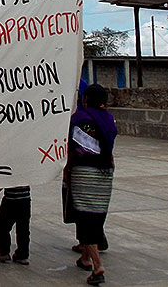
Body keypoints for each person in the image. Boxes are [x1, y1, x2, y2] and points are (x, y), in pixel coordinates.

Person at [64, 83, 116, 285]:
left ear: (86, 100)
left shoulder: (80, 119)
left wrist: (67, 170)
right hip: (104, 173)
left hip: (83, 172)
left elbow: (73, 147)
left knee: (85, 218)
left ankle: (97, 265)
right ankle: (85, 257)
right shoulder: (108, 119)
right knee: (96, 214)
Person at [0, 185, 30, 265]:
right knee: (23, 229)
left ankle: (4, 252)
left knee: (3, 226)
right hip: (25, 199)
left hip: (10, 199)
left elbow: (6, 178)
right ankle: (22, 255)